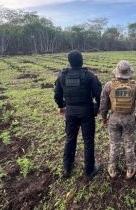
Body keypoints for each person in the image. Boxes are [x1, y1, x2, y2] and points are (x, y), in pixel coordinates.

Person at [54, 50, 102, 180]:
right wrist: (96, 109)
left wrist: (62, 106)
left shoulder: (62, 76)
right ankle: (89, 170)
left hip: (70, 112)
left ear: (69, 62)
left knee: (70, 138)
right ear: (81, 61)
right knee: (88, 141)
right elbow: (99, 95)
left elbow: (57, 95)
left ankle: (67, 168)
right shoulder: (89, 75)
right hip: (86, 112)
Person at [100, 60, 136, 179]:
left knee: (114, 144)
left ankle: (112, 168)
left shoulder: (109, 85)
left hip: (114, 118)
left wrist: (104, 117)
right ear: (129, 72)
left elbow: (103, 105)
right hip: (129, 119)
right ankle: (130, 168)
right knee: (129, 145)